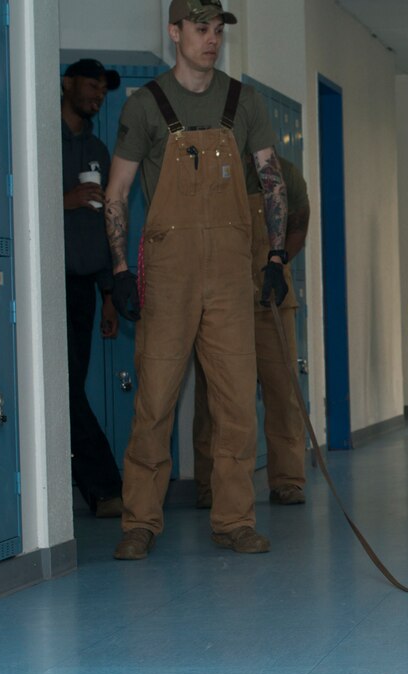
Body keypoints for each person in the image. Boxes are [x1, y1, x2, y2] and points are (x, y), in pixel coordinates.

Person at [104, 0, 289, 560]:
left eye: (217, 31)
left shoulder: (244, 101)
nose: (212, 40)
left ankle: (233, 520)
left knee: (236, 405)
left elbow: (272, 179)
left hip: (232, 276)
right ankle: (140, 521)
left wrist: (276, 258)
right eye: (200, 29)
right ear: (175, 32)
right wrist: (118, 270)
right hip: (170, 275)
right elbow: (115, 195)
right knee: (155, 402)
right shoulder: (146, 105)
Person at [193, 156, 311, 508]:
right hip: (219, 298)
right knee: (212, 394)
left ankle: (287, 479)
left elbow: (298, 226)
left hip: (272, 296)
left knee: (283, 391)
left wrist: (279, 264)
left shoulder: (287, 172)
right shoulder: (212, 165)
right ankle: (210, 484)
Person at [61, 58, 125, 518]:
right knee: (64, 389)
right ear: (67, 85)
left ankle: (99, 489)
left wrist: (108, 294)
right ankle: (105, 488)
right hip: (50, 286)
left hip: (85, 289)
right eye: (89, 86)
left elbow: (109, 226)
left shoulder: (100, 151)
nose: (96, 96)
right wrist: (65, 200)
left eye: (102, 90)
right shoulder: (42, 139)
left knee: (71, 387)